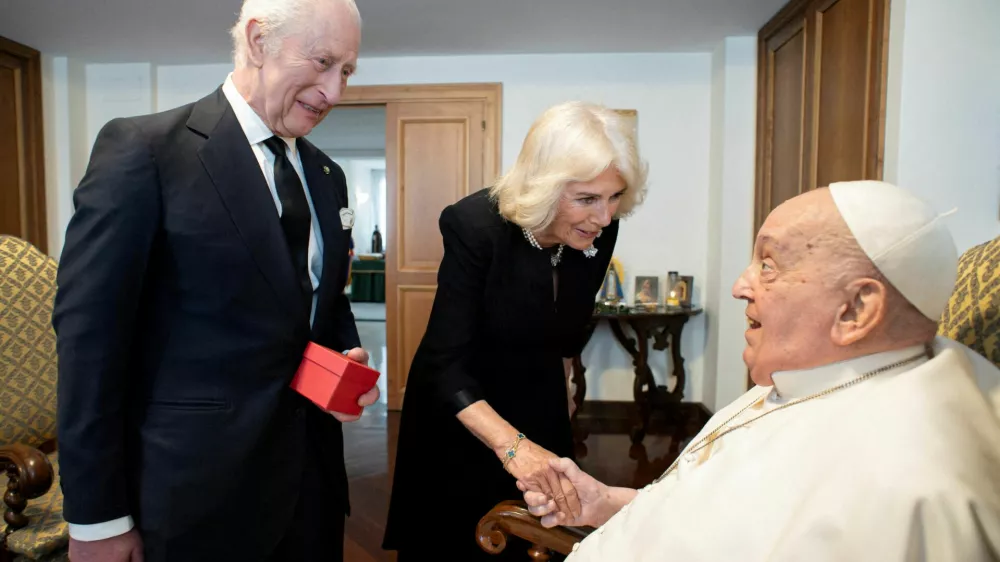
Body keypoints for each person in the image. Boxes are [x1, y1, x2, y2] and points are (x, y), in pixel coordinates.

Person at [52, 1, 378, 561]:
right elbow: (89, 345)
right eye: (322, 62)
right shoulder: (145, 152)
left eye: (346, 70)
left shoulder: (328, 175)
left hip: (311, 487)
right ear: (257, 41)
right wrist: (97, 518)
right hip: (192, 499)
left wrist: (343, 362)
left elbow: (320, 302)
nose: (334, 91)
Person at [521, 181, 1000, 560]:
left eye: (768, 264)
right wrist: (608, 503)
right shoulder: (813, 376)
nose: (739, 286)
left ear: (856, 309)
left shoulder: (904, 487)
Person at [382, 101, 648, 559]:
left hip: (536, 395)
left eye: (615, 197)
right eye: (586, 199)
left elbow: (566, 324)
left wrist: (562, 384)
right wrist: (514, 448)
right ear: (544, 187)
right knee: (458, 540)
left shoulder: (600, 228)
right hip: (464, 403)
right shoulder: (475, 226)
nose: (604, 217)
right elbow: (445, 364)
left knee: (540, 537)